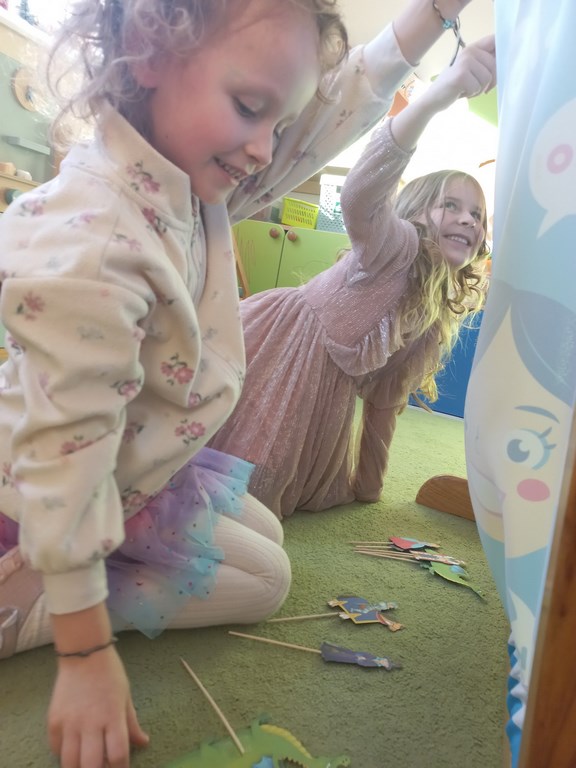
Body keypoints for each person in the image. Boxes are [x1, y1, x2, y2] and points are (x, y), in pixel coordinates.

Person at [0, 0, 484, 765]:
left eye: (277, 120)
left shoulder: (187, 173)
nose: (266, 148)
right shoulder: (98, 238)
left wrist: (435, 20)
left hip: (143, 464)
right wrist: (85, 651)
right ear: (149, 53)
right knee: (266, 582)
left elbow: (332, 109)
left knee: (265, 526)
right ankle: (25, 606)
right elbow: (64, 460)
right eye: (252, 109)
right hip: (56, 490)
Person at [210, 35, 497, 521]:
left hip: (326, 389)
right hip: (283, 343)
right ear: (415, 212)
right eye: (451, 205)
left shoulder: (432, 309)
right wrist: (433, 99)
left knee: (277, 490)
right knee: (234, 471)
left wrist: (369, 485)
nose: (469, 220)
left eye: (477, 215)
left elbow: (386, 397)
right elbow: (361, 194)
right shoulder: (398, 244)